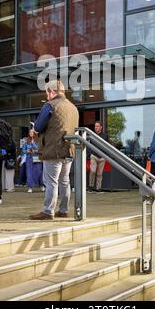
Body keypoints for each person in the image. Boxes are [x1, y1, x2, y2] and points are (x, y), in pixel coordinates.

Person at [30, 79, 79, 220]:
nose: (46, 97)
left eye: (46, 93)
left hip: (53, 149)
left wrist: (35, 128)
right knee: (65, 181)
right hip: (69, 149)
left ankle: (47, 211)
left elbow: (38, 127)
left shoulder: (49, 106)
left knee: (51, 181)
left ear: (51, 92)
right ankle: (63, 210)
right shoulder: (73, 107)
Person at [88, 121, 108, 193]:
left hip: (102, 157)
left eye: (97, 126)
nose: (96, 128)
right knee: (92, 171)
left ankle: (98, 188)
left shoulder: (105, 136)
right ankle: (90, 186)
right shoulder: (91, 135)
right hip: (94, 156)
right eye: (95, 126)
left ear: (101, 127)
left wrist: (105, 154)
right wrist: (90, 154)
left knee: (100, 173)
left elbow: (108, 146)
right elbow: (88, 145)